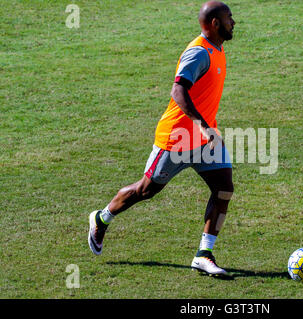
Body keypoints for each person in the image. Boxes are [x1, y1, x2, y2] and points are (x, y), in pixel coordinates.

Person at [88, 1, 236, 277]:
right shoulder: (199, 53)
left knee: (224, 188)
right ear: (215, 24)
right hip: (177, 139)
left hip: (204, 140)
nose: (233, 22)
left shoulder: (217, 48)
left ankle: (204, 254)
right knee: (146, 190)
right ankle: (101, 217)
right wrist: (202, 125)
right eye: (229, 18)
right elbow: (178, 90)